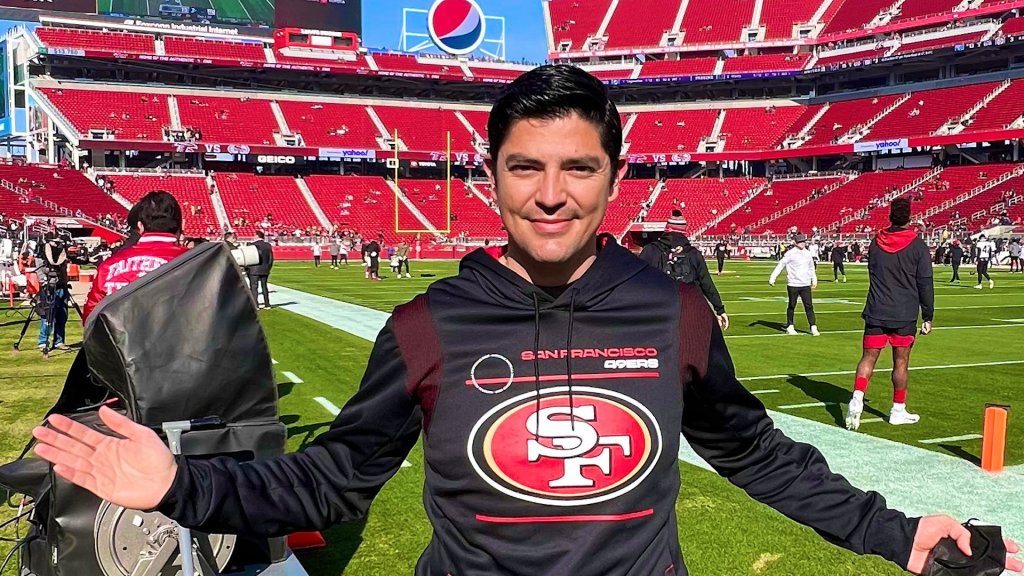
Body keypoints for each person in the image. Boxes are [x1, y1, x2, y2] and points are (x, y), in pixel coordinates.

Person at [30, 65, 1020, 576]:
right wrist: (182, 486)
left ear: (614, 177)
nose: (551, 195)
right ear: (492, 176)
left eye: (578, 167)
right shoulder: (426, 325)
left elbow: (760, 455)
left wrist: (902, 534)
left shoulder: (672, 311)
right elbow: (331, 477)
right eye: (525, 168)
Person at [846, 198, 934, 431]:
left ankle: (857, 395)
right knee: (901, 362)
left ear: (890, 216)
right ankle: (897, 409)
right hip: (903, 313)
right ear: (910, 217)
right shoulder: (917, 245)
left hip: (876, 308)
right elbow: (925, 281)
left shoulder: (877, 242)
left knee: (868, 358)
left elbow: (872, 271)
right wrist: (928, 315)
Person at [83, 191, 187, 321]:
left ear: (140, 226)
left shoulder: (108, 266)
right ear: (180, 226)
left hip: (121, 338)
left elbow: (90, 316)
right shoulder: (195, 262)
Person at [669, 235, 728, 330]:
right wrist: (719, 309)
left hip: (663, 309)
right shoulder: (693, 254)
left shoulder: (654, 250)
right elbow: (706, 282)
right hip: (689, 305)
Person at [769, 234, 819, 336]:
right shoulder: (790, 254)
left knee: (809, 306)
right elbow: (781, 265)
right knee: (792, 305)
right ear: (795, 243)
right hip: (793, 284)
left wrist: (814, 279)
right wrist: (773, 277)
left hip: (805, 284)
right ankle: (790, 326)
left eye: (804, 242)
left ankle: (813, 326)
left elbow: (811, 267)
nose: (803, 244)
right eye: (800, 242)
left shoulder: (808, 253)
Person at [36, 233, 71, 353]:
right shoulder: (42, 253)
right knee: (47, 315)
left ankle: (59, 341)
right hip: (49, 287)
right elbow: (39, 270)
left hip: (62, 286)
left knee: (62, 315)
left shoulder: (62, 253)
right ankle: (43, 341)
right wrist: (45, 282)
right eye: (55, 242)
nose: (58, 244)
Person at [248, 231, 273, 309]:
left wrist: (247, 269)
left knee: (254, 287)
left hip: (254, 269)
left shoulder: (252, 245)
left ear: (256, 236)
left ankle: (256, 305)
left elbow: (249, 258)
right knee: (264, 286)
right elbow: (271, 258)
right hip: (265, 268)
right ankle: (267, 304)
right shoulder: (268, 245)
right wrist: (268, 267)